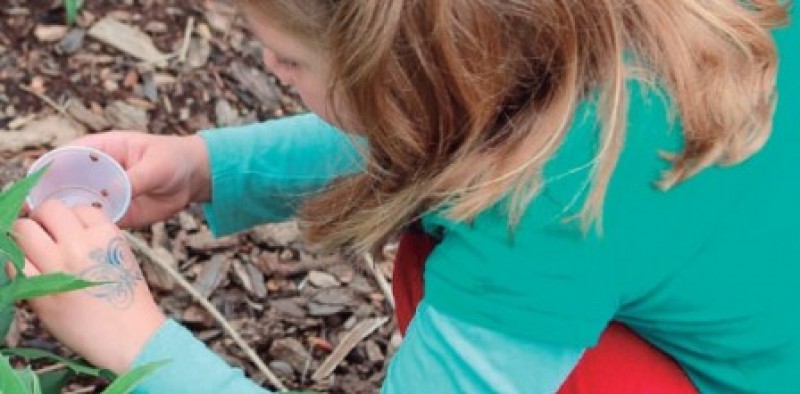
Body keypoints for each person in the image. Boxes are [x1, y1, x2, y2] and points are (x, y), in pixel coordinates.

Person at [11, 0, 800, 392]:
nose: (274, 72)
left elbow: (472, 158)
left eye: (288, 62)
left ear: (417, 75)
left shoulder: (548, 210)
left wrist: (135, 340)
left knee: (443, 267)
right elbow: (455, 132)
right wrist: (203, 167)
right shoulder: (614, 35)